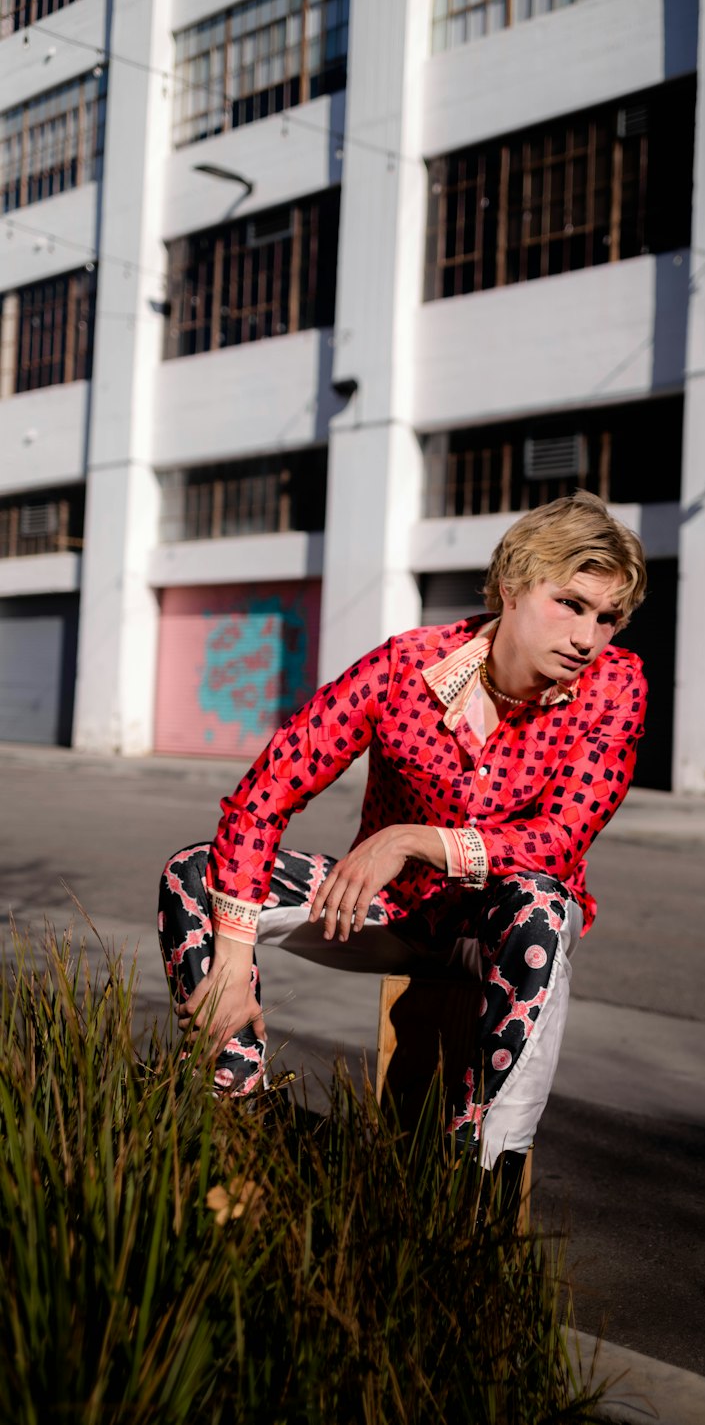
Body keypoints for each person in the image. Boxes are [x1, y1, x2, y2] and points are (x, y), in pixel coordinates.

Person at [157, 490, 647, 1185]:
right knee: (193, 874)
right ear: (511, 588)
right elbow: (264, 793)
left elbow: (560, 840)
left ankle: (477, 1174)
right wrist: (233, 966)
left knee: (540, 905)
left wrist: (414, 838)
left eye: (608, 618)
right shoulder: (404, 668)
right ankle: (234, 1112)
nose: (587, 637)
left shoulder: (618, 684)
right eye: (570, 603)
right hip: (398, 913)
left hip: (501, 928)